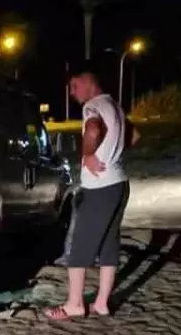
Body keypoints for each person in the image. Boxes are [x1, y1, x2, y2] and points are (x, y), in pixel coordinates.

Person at [47, 64, 137, 320]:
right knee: (109, 243)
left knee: (80, 247)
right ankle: (101, 303)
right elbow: (135, 135)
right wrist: (113, 154)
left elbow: (94, 128)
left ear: (89, 82)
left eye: (75, 86)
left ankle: (75, 304)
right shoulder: (115, 106)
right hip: (120, 184)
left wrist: (88, 154)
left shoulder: (93, 105)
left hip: (99, 187)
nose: (73, 93)